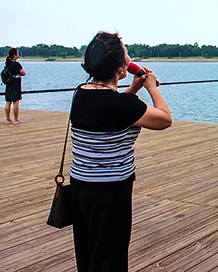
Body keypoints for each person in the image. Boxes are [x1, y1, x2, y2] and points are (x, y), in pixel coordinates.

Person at [69, 32, 172, 271]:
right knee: (110, 259)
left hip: (80, 186)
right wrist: (151, 87)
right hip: (110, 192)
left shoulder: (80, 93)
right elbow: (165, 119)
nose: (130, 58)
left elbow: (110, 109)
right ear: (120, 67)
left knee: (88, 253)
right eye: (127, 54)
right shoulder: (122, 105)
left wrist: (133, 88)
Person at [4, 47, 26, 124]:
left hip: (9, 83)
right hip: (15, 82)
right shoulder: (16, 64)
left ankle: (8, 119)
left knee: (8, 101)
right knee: (16, 101)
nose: (18, 55)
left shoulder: (7, 63)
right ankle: (16, 119)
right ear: (14, 55)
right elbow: (23, 73)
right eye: (17, 53)